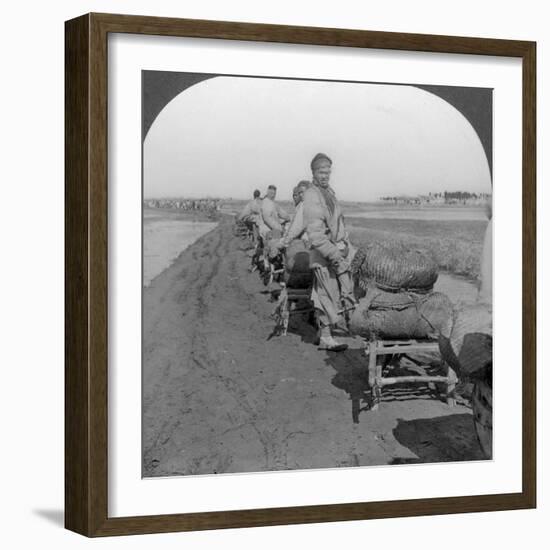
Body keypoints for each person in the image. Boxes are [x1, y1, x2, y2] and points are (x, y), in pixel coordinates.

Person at [302, 153, 356, 351]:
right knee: (327, 295)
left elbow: (338, 222)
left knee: (347, 290)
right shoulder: (312, 195)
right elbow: (316, 235)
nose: (325, 175)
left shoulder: (329, 192)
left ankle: (346, 324)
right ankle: (325, 337)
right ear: (313, 172)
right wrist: (335, 255)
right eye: (321, 172)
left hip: (338, 251)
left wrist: (346, 246)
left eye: (327, 172)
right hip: (324, 255)